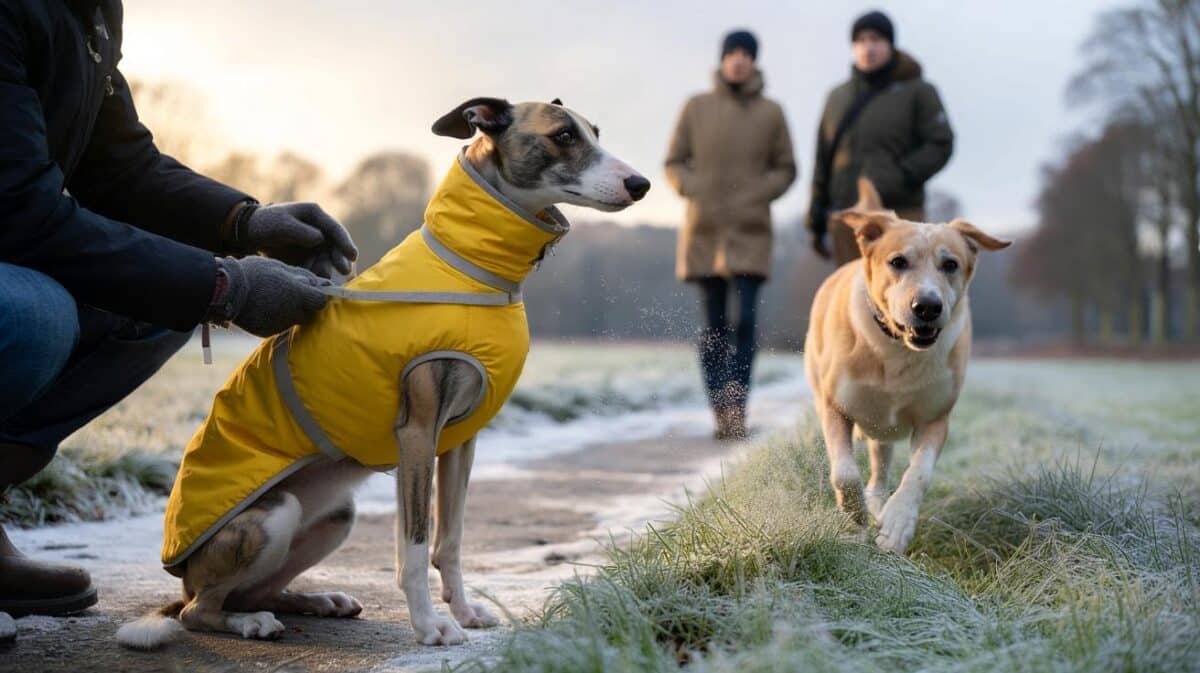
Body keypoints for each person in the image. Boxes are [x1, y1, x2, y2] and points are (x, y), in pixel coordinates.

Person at [0, 0, 357, 621]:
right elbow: (20, 211)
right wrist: (226, 287)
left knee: (157, 305)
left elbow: (119, 167)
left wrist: (245, 223)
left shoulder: (88, 11)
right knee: (39, 317)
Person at [665, 29, 796, 440]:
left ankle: (738, 407)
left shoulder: (772, 112)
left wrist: (759, 193)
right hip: (704, 231)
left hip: (750, 233)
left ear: (755, 61)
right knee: (713, 329)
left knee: (745, 325)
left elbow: (786, 168)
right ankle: (720, 409)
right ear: (722, 59)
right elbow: (673, 162)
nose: (738, 60)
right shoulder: (696, 107)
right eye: (732, 53)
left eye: (745, 54)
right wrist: (693, 187)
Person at [806, 10, 954, 265]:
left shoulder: (919, 91)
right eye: (861, 41)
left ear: (890, 45)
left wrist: (903, 175)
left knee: (900, 288)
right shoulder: (836, 97)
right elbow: (823, 158)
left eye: (875, 40)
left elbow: (940, 143)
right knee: (852, 289)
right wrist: (816, 215)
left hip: (900, 216)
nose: (868, 48)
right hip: (848, 220)